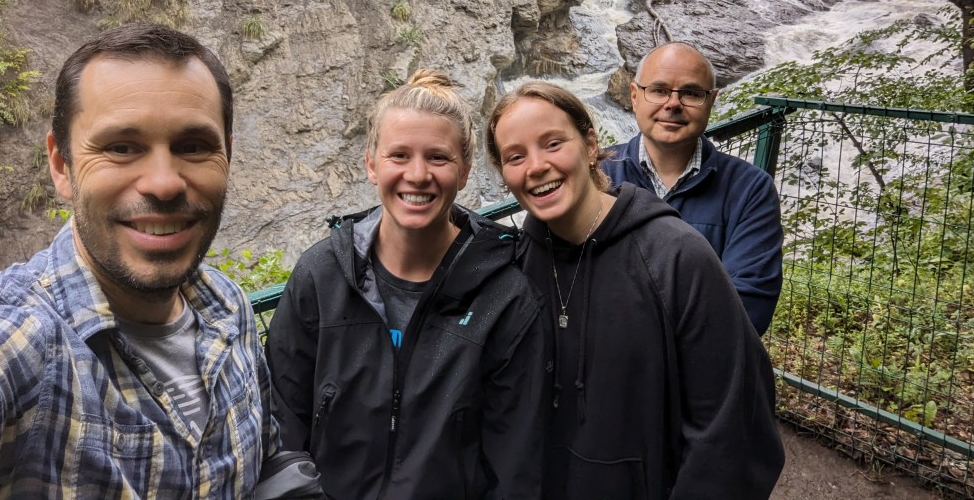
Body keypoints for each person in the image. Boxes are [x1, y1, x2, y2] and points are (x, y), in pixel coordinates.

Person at [0, 23, 320, 499]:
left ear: (227, 153)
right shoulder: (18, 340)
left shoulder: (229, 308)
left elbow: (266, 459)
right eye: (121, 148)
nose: (163, 183)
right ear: (61, 165)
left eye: (193, 147)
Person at [486, 81, 785, 499]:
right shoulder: (514, 265)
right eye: (515, 156)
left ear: (591, 144)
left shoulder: (676, 258)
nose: (536, 166)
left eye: (553, 143)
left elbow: (732, 428)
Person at [266, 70, 544, 500]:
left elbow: (514, 457)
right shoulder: (320, 275)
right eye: (399, 155)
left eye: (438, 158)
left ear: (465, 170)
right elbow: (283, 420)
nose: (417, 175)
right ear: (371, 164)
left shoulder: (504, 295)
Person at [602, 41, 784, 335]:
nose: (673, 104)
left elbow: (747, 308)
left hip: (702, 376)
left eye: (690, 93)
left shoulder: (749, 189)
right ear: (635, 96)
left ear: (711, 100)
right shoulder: (599, 176)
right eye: (659, 90)